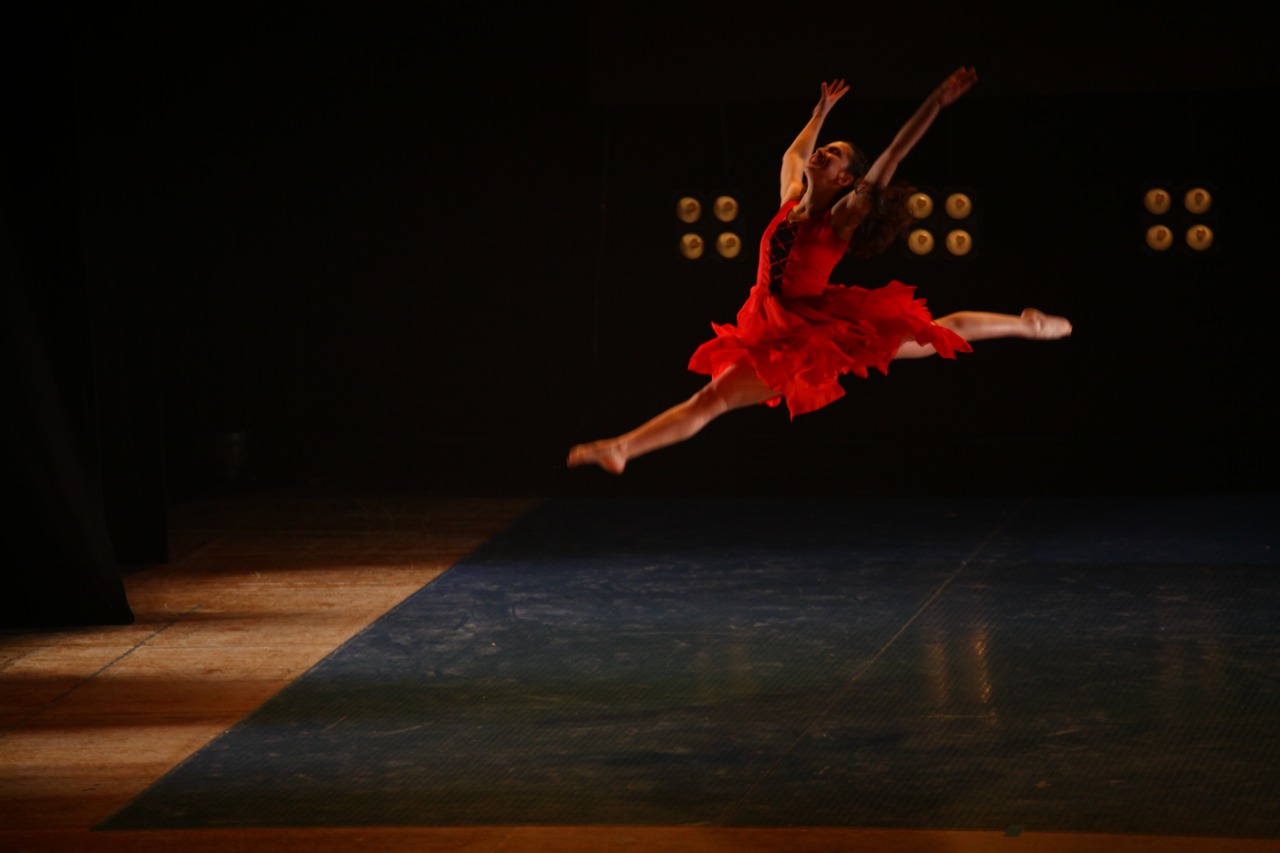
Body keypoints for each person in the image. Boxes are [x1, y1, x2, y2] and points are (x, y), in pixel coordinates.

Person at [567, 68, 1071, 475]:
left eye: (833, 153)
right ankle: (622, 449)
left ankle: (1027, 325)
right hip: (769, 320)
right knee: (709, 400)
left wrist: (934, 105)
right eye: (825, 147)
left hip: (815, 333)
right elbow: (791, 153)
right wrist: (818, 115)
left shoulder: (842, 218)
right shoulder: (790, 201)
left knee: (935, 330)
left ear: (847, 180)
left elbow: (893, 154)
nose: (821, 151)